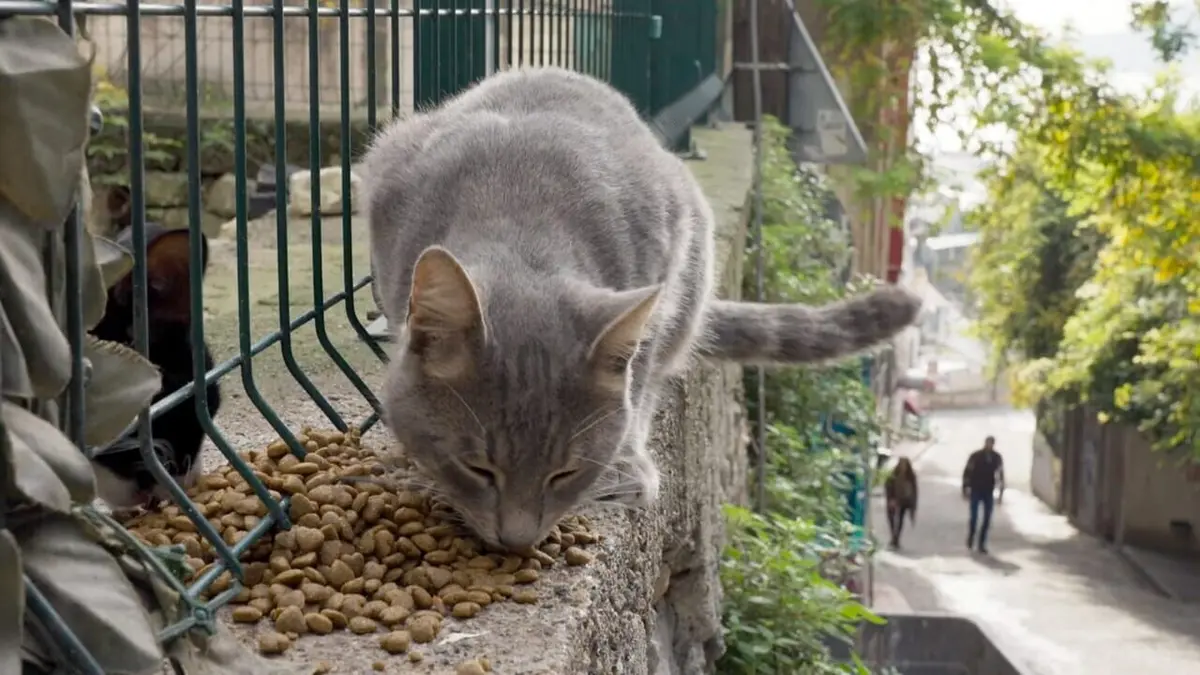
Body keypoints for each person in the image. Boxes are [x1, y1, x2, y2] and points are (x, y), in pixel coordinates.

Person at [962, 436, 1005, 554]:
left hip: (988, 490)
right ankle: (971, 537)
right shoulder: (976, 456)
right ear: (985, 443)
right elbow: (967, 471)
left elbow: (1001, 474)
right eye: (988, 443)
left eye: (991, 444)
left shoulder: (996, 457)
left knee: (987, 518)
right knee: (974, 517)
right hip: (976, 489)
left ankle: (981, 543)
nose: (989, 445)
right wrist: (965, 488)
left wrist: (1001, 492)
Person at [884, 457, 918, 549]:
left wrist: (913, 505)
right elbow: (888, 486)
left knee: (900, 519)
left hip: (904, 501)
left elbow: (914, 490)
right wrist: (890, 499)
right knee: (891, 518)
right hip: (894, 500)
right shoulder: (893, 474)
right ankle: (893, 536)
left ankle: (896, 538)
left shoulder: (911, 476)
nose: (903, 467)